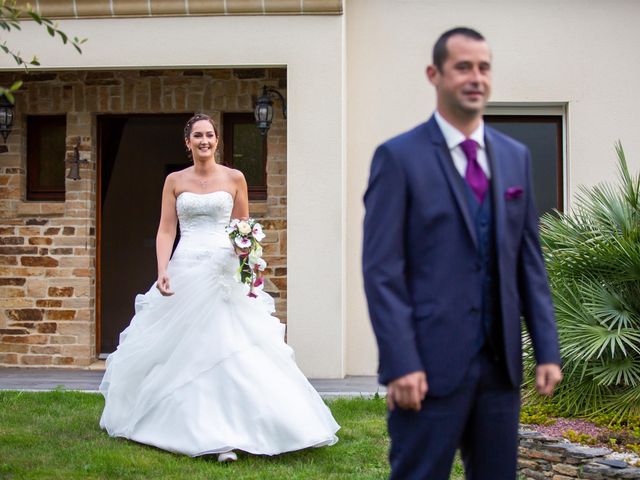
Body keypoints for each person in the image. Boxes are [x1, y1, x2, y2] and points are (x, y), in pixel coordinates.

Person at [362, 27, 562, 479]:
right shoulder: (398, 157)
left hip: (500, 370)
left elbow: (529, 260)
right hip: (426, 370)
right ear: (434, 74)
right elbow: (382, 271)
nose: (476, 77)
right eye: (463, 67)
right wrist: (401, 362)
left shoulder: (516, 157)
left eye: (484, 67)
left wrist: (547, 349)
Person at [99, 113, 339, 462]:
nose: (204, 141)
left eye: (210, 135)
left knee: (231, 345)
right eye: (197, 135)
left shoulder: (234, 177)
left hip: (224, 270)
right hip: (186, 267)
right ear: (187, 142)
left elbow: (243, 227)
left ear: (216, 141)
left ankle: (249, 428)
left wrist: (247, 266)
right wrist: (162, 269)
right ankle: (197, 429)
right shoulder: (174, 181)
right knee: (189, 349)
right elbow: (166, 230)